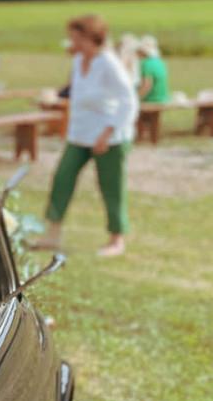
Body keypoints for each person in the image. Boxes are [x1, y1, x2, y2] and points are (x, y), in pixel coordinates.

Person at [35, 15, 137, 258]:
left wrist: (108, 132)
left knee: (111, 187)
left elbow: (128, 100)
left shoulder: (109, 63)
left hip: (108, 136)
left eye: (76, 37)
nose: (71, 42)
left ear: (91, 38)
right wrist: (56, 97)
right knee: (62, 178)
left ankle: (116, 238)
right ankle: (52, 234)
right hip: (80, 134)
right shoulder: (79, 59)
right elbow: (76, 90)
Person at [137, 35, 169, 103]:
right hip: (163, 98)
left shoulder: (146, 63)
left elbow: (147, 85)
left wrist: (135, 98)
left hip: (152, 99)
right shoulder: (160, 62)